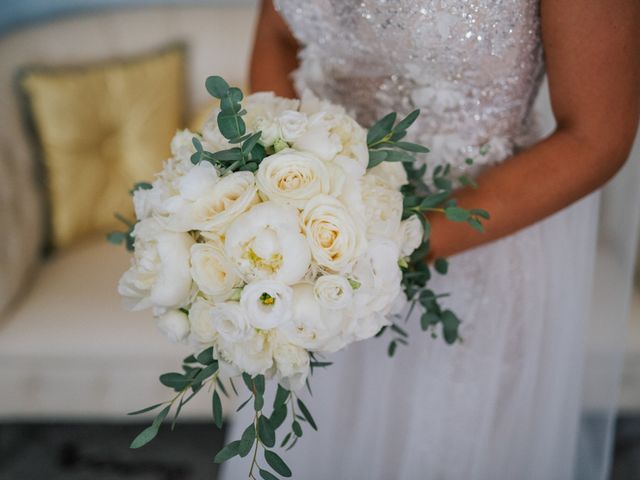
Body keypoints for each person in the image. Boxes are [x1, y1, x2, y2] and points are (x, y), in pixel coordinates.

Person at [222, 1, 640, 479]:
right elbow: (280, 34)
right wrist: (285, 186)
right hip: (315, 259)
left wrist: (383, 249)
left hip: (475, 262)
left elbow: (595, 138)